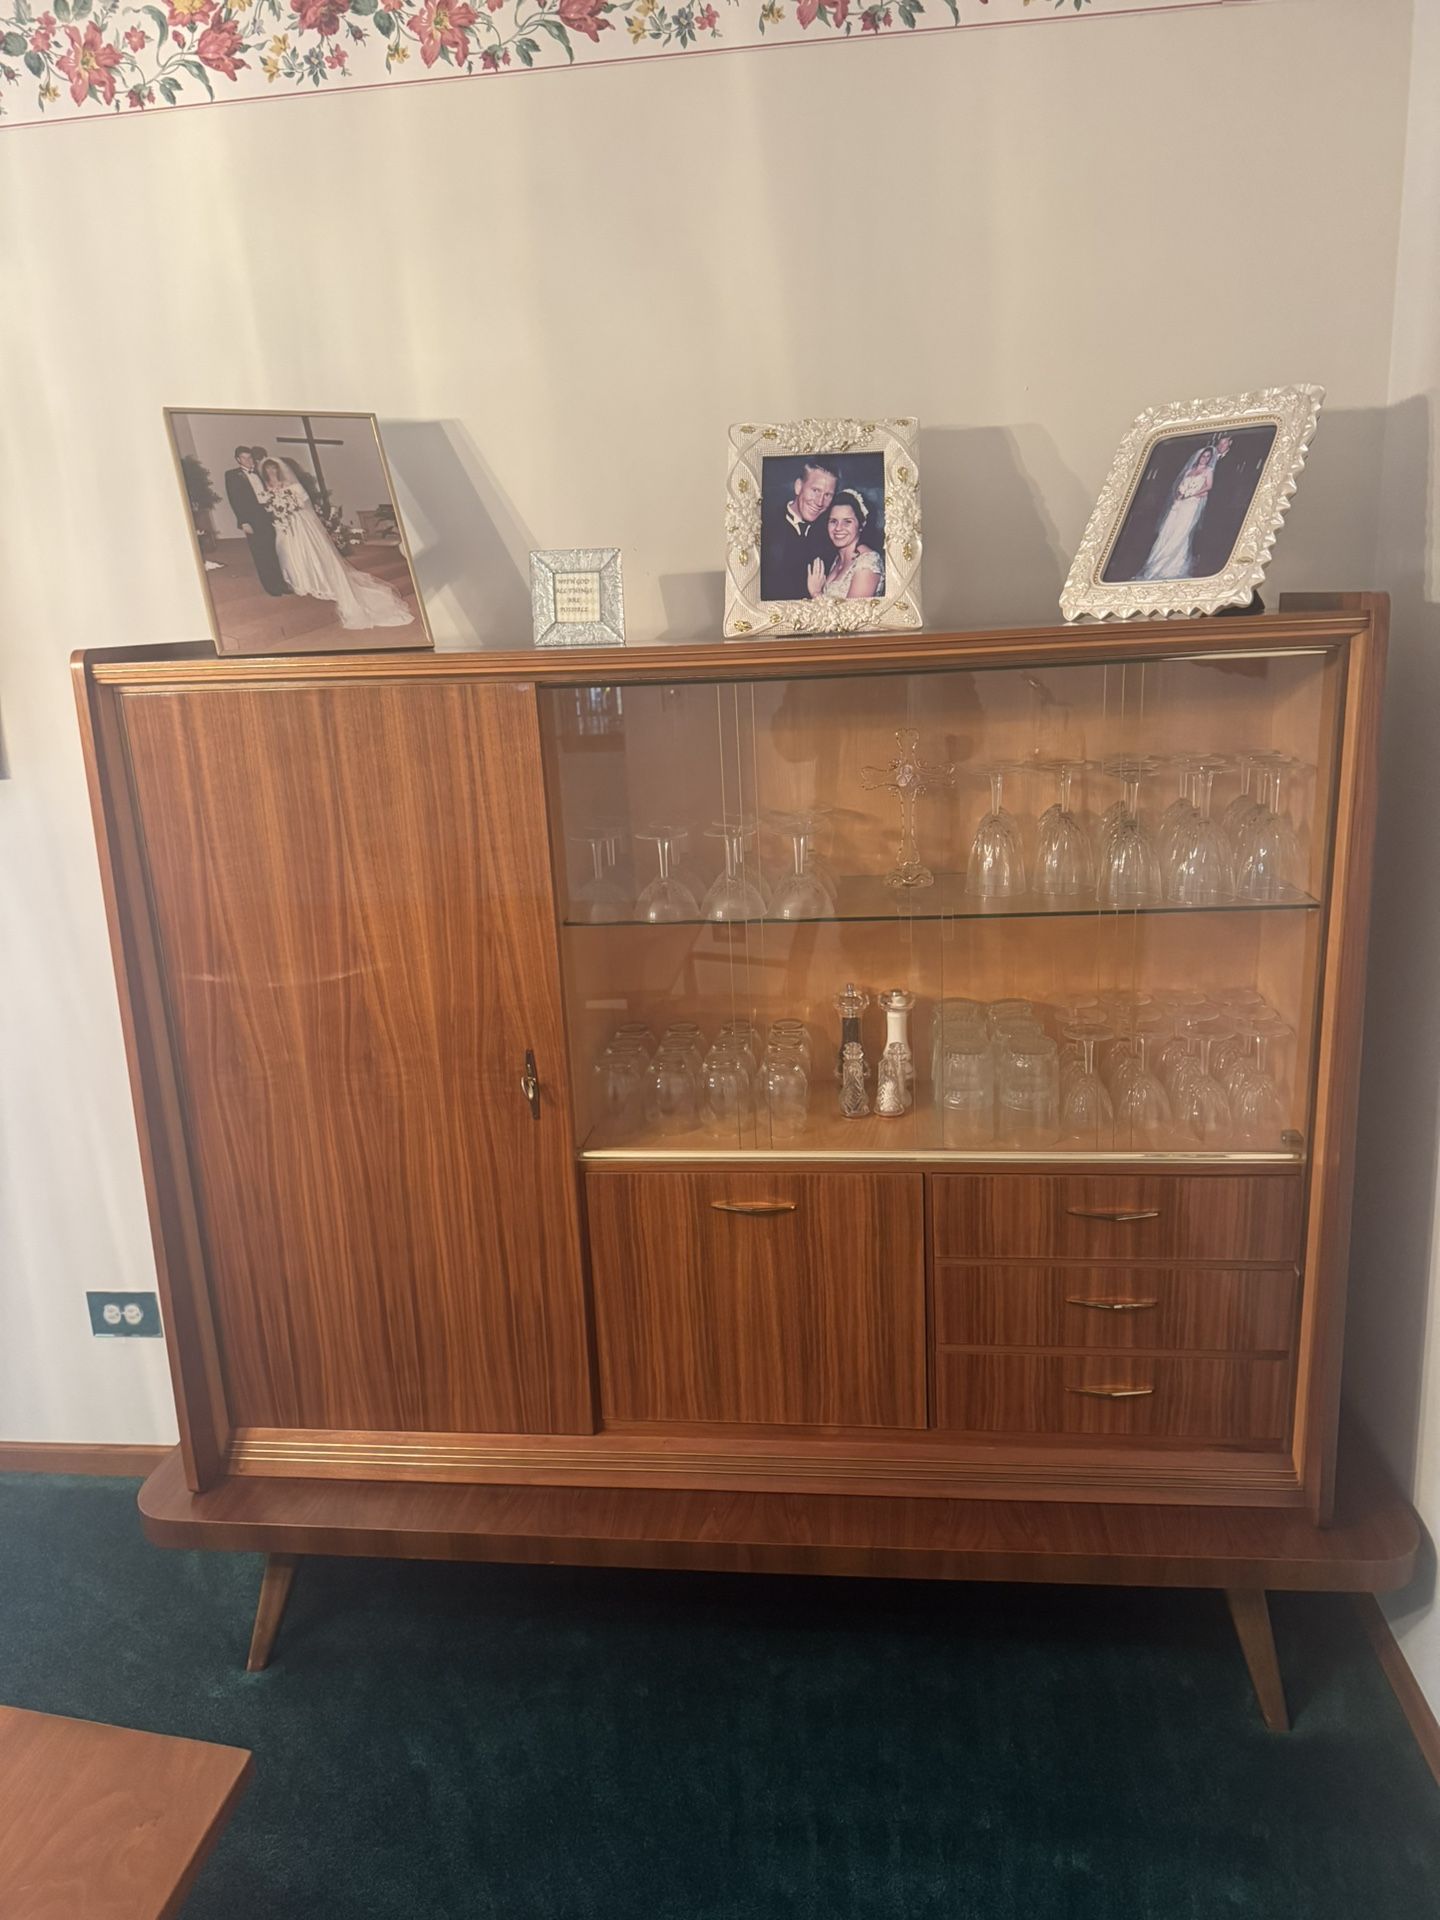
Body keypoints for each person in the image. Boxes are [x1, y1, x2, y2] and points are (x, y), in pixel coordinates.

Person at [258, 458, 413, 631]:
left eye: (273, 469)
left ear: (278, 470)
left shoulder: (291, 484)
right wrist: (277, 509)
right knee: (287, 551)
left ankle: (315, 581)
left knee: (307, 550)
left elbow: (304, 501)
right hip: (283, 525)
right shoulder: (265, 489)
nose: (271, 473)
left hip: (300, 522)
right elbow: (266, 506)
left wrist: (290, 505)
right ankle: (298, 581)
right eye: (268, 470)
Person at [1138, 437, 1232, 581]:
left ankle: (1173, 565)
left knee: (1182, 532)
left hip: (1193, 504)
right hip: (1179, 503)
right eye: (1203, 456)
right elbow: (1180, 484)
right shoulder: (1189, 470)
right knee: (1168, 530)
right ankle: (1156, 563)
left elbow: (1209, 487)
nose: (1205, 458)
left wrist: (1192, 494)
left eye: (1207, 457)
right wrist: (1180, 494)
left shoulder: (1209, 470)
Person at [761, 459, 837, 600]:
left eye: (827, 495)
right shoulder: (765, 526)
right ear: (798, 487)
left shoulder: (829, 533)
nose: (820, 502)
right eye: (815, 490)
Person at [223, 446, 289, 597]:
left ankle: (281, 584)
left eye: (250, 457)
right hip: (251, 520)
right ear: (238, 459)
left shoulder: (259, 472)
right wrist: (243, 522)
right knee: (261, 553)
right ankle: (271, 587)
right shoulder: (232, 475)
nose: (248, 460)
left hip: (267, 516)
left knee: (274, 551)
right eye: (244, 458)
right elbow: (234, 500)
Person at [807, 489, 884, 600]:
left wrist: (816, 594)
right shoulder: (837, 559)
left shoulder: (868, 562)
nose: (838, 528)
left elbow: (851, 615)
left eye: (847, 521)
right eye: (833, 521)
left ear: (861, 524)